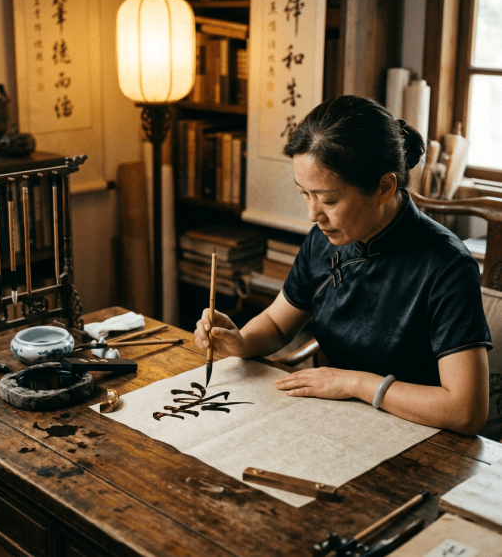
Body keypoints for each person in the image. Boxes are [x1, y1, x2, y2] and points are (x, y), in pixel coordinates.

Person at [195, 95, 491, 436]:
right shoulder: (323, 238)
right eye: (304, 194)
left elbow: (466, 410)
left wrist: (354, 383)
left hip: (417, 436)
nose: (313, 214)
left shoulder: (447, 266)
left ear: (384, 187)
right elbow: (278, 324)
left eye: (328, 199)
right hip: (330, 423)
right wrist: (241, 341)